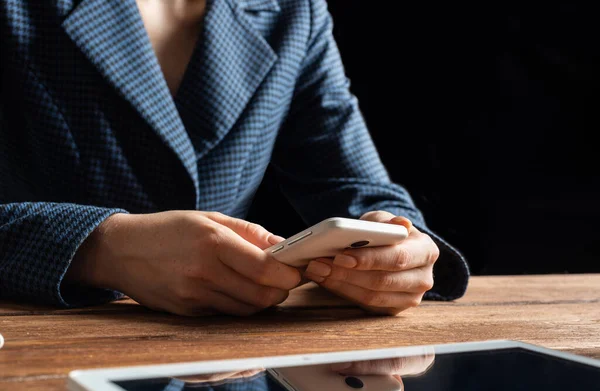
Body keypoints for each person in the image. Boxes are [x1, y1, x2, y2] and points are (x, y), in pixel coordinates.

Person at [0, 0, 469, 316]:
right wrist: (98, 250)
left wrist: (401, 247)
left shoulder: (292, 10)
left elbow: (356, 186)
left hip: (229, 366)